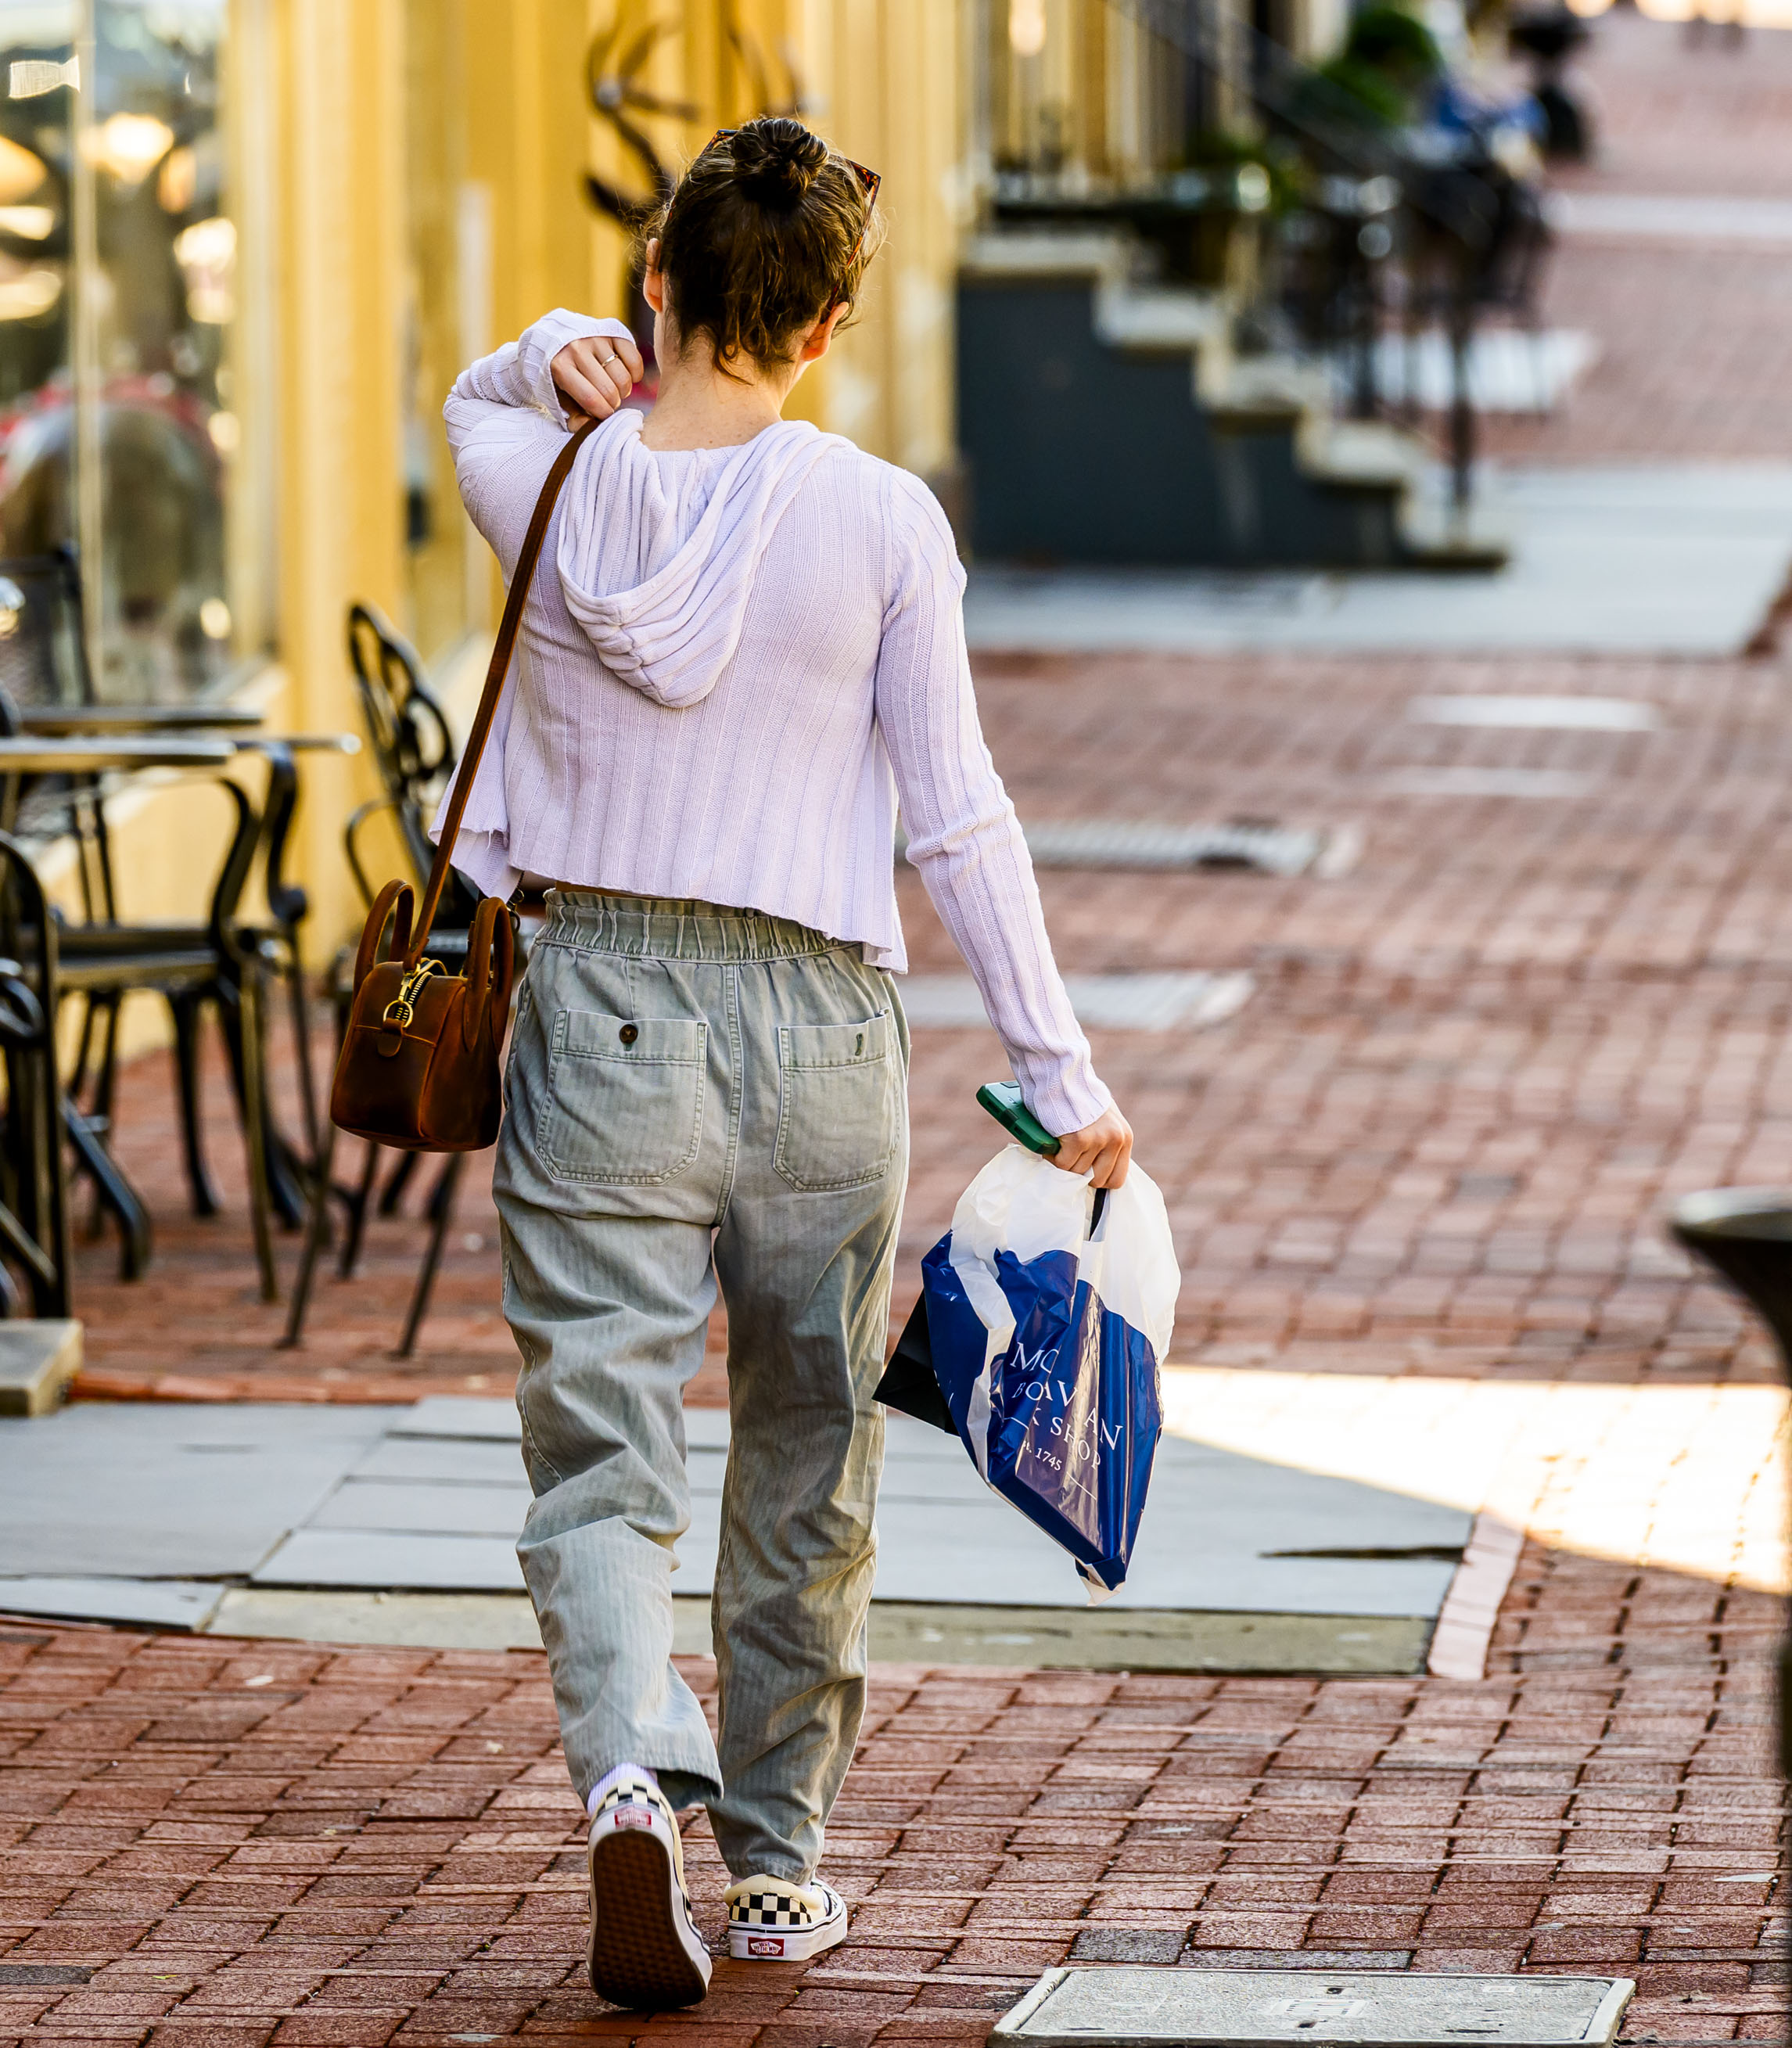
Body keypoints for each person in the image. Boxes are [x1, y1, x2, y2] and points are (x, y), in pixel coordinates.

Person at [441, 115, 1132, 2012]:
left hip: (602, 1014)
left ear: (656, 285)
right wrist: (1061, 1075)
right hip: (826, 1024)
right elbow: (959, 815)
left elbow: (469, 395)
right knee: (806, 1453)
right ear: (827, 326)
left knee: (602, 1449)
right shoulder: (886, 519)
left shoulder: (547, 477)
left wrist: (554, 351)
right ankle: (776, 1870)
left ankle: (619, 1782)